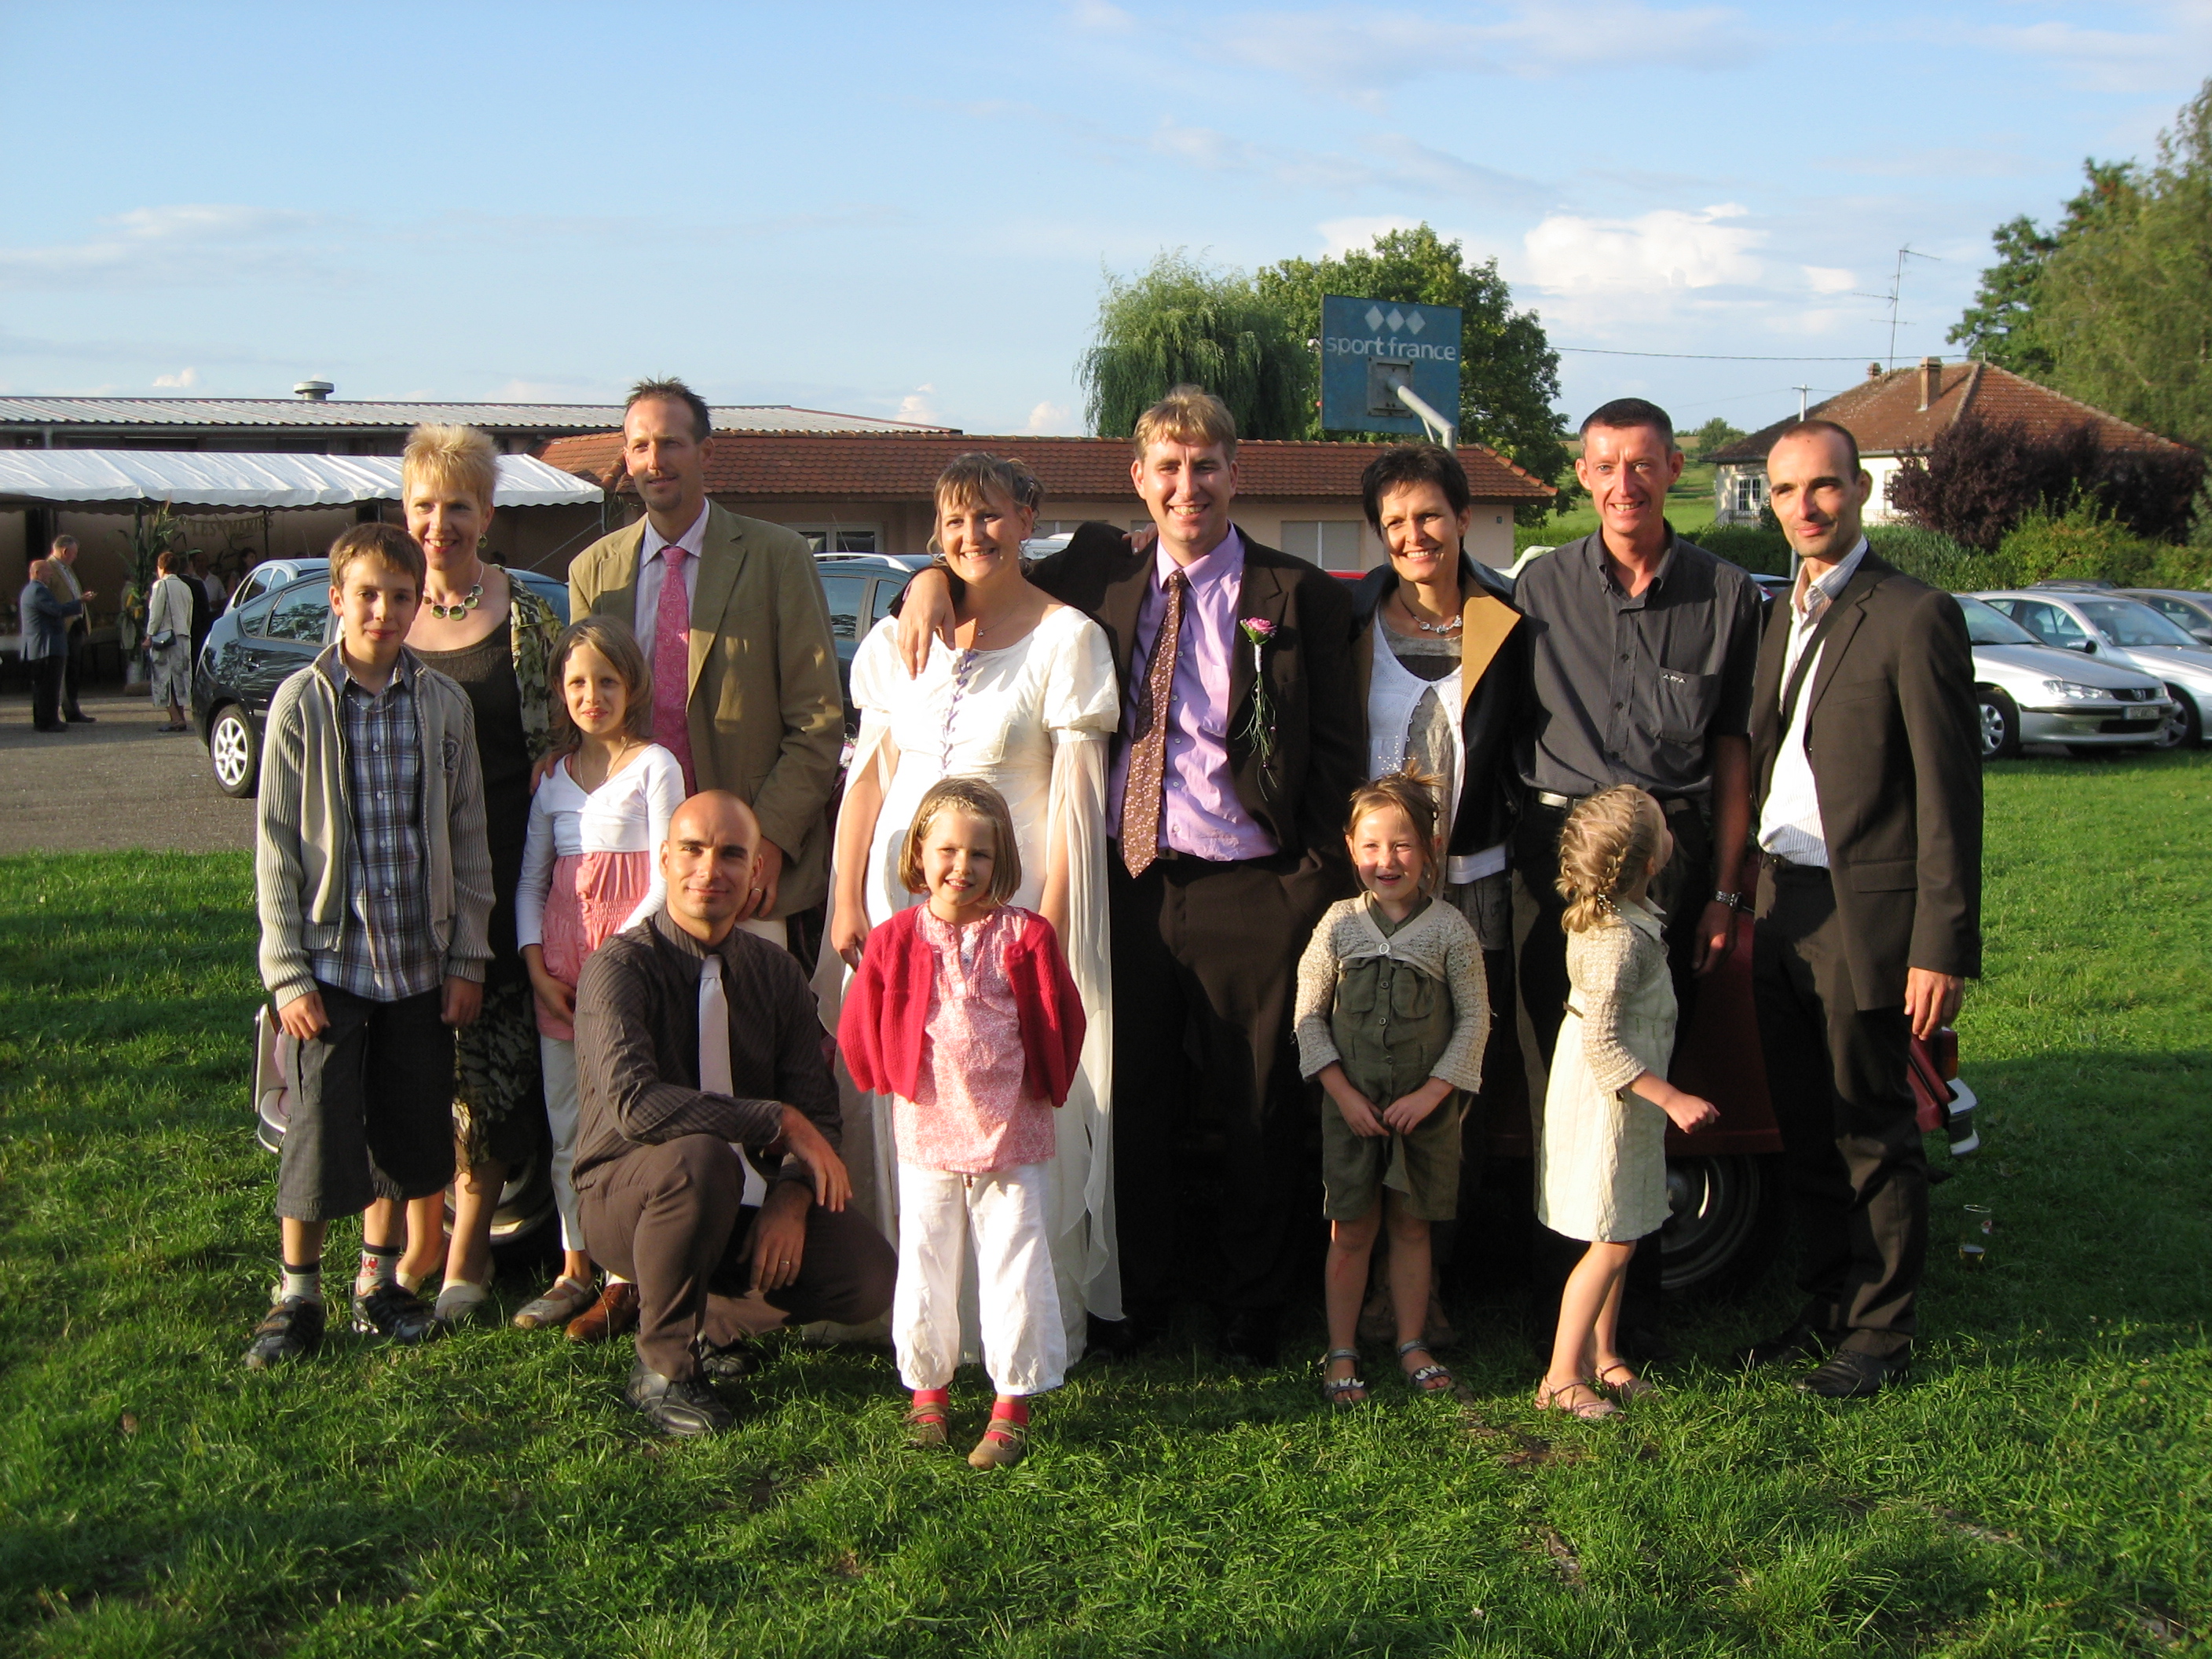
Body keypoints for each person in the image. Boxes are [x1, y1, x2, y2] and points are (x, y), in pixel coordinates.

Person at [899, 385, 1363, 1365]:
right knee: (1126, 1099)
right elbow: (990, 566)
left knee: (1255, 1102)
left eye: (1205, 467)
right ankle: (1135, 1294)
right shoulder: (1098, 567)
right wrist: (928, 581)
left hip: (1252, 887)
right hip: (1127, 885)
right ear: (1138, 479)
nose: (1187, 485)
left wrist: (1305, 887)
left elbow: (1334, 756)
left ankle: (1252, 1302)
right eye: (1168, 468)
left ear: (1235, 474)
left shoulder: (1299, 595)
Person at [825, 451, 1120, 1354]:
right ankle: (921, 1323)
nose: (971, 536)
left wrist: (1049, 935)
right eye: (953, 521)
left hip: (1010, 913)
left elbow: (1073, 807)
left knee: (1003, 1111)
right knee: (911, 1094)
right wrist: (844, 898)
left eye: (988, 516)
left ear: (1027, 520)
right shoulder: (898, 640)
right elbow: (869, 780)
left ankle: (1015, 1329)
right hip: (898, 916)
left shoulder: (1067, 642)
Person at [1737, 419, 1981, 1400]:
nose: (1804, 506)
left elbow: (1949, 796)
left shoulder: (1913, 615)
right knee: (1803, 1124)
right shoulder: (1781, 611)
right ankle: (1828, 1302)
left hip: (1861, 912)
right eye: (1785, 490)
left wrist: (1939, 946)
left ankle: (1880, 1331)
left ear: (1859, 492)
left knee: (1869, 1129)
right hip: (1778, 902)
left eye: (1823, 486)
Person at [1511, 397, 1761, 1347]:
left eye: (1643, 463)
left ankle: (1627, 1322)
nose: (1625, 483)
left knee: (1646, 1071)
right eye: (1605, 465)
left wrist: (1724, 891)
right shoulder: (1535, 588)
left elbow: (1732, 753)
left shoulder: (1726, 595)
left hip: (1666, 856)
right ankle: (1556, 1312)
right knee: (1557, 1076)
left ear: (1672, 468)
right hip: (1554, 853)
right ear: (1581, 475)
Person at [241, 523, 493, 1368]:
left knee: (402, 1127)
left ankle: (377, 1283)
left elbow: (467, 838)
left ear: (418, 604)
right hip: (331, 965)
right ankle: (297, 1294)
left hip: (417, 964)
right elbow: (277, 845)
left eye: (400, 596)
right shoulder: (302, 704)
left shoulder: (443, 706)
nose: (383, 610)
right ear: (337, 599)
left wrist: (466, 957)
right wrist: (287, 973)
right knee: (318, 1127)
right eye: (367, 595)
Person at [570, 790, 895, 1437]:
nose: (709, 870)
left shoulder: (776, 972)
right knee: (701, 1158)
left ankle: (713, 1324)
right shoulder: (619, 966)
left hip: (740, 1201)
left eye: (730, 855)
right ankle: (662, 1366)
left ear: (755, 872)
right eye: (692, 850)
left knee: (867, 1275)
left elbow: (817, 1112)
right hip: (625, 1199)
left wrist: (792, 1198)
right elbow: (636, 1106)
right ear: (665, 859)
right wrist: (774, 1121)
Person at [838, 778, 1088, 1469]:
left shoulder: (1027, 936)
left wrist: (1051, 1082)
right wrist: (878, 1074)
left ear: (1000, 860)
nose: (962, 866)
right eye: (947, 850)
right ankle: (929, 1389)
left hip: (1013, 1126)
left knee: (1016, 1257)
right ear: (919, 854)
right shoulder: (894, 939)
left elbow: (1061, 1014)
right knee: (927, 1253)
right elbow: (861, 1018)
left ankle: (1012, 1401)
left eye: (980, 854)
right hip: (927, 1123)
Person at [1348, 441, 1527, 1332]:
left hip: (1472, 890)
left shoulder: (1510, 621)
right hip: (1374, 896)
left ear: (1462, 518)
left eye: (1429, 516)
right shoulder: (1350, 618)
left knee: (1457, 1082)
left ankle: (1435, 1280)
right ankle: (1371, 1281)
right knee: (1373, 1070)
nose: (1413, 535)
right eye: (1394, 522)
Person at [568, 378, 844, 953]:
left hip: (743, 868)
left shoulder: (777, 558)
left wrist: (765, 841)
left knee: (744, 1013)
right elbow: (585, 719)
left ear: (706, 452)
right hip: (632, 866)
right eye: (640, 446)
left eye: (671, 443)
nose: (655, 461)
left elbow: (817, 721)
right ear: (626, 458)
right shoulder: (593, 572)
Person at [399, 422, 564, 1326]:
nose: (440, 524)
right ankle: (416, 1235)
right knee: (415, 1063)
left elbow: (562, 744)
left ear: (488, 512)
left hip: (503, 875)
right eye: (424, 506)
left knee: (493, 1069)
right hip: (402, 887)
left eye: (457, 506)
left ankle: (468, 1250)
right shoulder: (384, 611)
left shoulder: (530, 619)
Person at [511, 618, 685, 1333]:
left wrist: (612, 964)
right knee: (568, 1126)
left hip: (627, 976)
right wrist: (535, 965)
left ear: (632, 686)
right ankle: (573, 1264)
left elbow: (667, 878)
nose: (592, 697)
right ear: (560, 692)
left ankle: (624, 1275)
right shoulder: (552, 781)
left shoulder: (655, 767)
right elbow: (531, 882)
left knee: (625, 1120)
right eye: (578, 683)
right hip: (559, 980)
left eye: (607, 681)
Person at [1294, 772, 1489, 1407]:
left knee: (1411, 1228)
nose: (1388, 861)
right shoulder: (1337, 925)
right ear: (1351, 847)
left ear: (1430, 849)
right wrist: (1342, 1094)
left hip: (1423, 1116)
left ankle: (1412, 1342)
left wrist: (1432, 1095)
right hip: (1350, 1113)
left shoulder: (1451, 930)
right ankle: (1341, 1349)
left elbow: (1475, 1021)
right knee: (1350, 1229)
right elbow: (1307, 1017)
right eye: (1373, 846)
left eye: (1403, 845)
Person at [1536, 786, 1719, 1419]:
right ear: (1651, 860)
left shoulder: (1628, 918)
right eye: (1665, 826)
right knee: (1610, 1241)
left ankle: (1603, 1355)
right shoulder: (1617, 941)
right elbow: (1604, 1043)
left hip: (1626, 1102)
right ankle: (1562, 1374)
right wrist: (1673, 1100)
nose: (1672, 833)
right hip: (1608, 1102)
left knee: (1625, 1231)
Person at [18, 558, 90, 733]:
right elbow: (57, 610)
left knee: (43, 687)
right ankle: (48, 721)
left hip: (41, 646)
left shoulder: (31, 590)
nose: (50, 574)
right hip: (47, 646)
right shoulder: (38, 591)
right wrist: (79, 602)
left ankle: (45, 719)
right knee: (49, 687)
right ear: (37, 573)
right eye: (47, 571)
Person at [145, 548, 196, 732]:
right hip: (183, 637)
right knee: (180, 679)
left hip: (165, 638)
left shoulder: (160, 585)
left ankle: (175, 718)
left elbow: (156, 614)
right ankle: (181, 716)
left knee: (163, 679)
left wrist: (149, 635)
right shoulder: (185, 587)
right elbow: (189, 615)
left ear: (161, 567)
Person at [48, 536, 93, 723]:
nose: (75, 557)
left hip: (75, 623)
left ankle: (72, 708)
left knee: (74, 668)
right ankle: (61, 709)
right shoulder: (48, 568)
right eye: (74, 553)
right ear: (65, 551)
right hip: (61, 625)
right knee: (62, 670)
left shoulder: (67, 569)